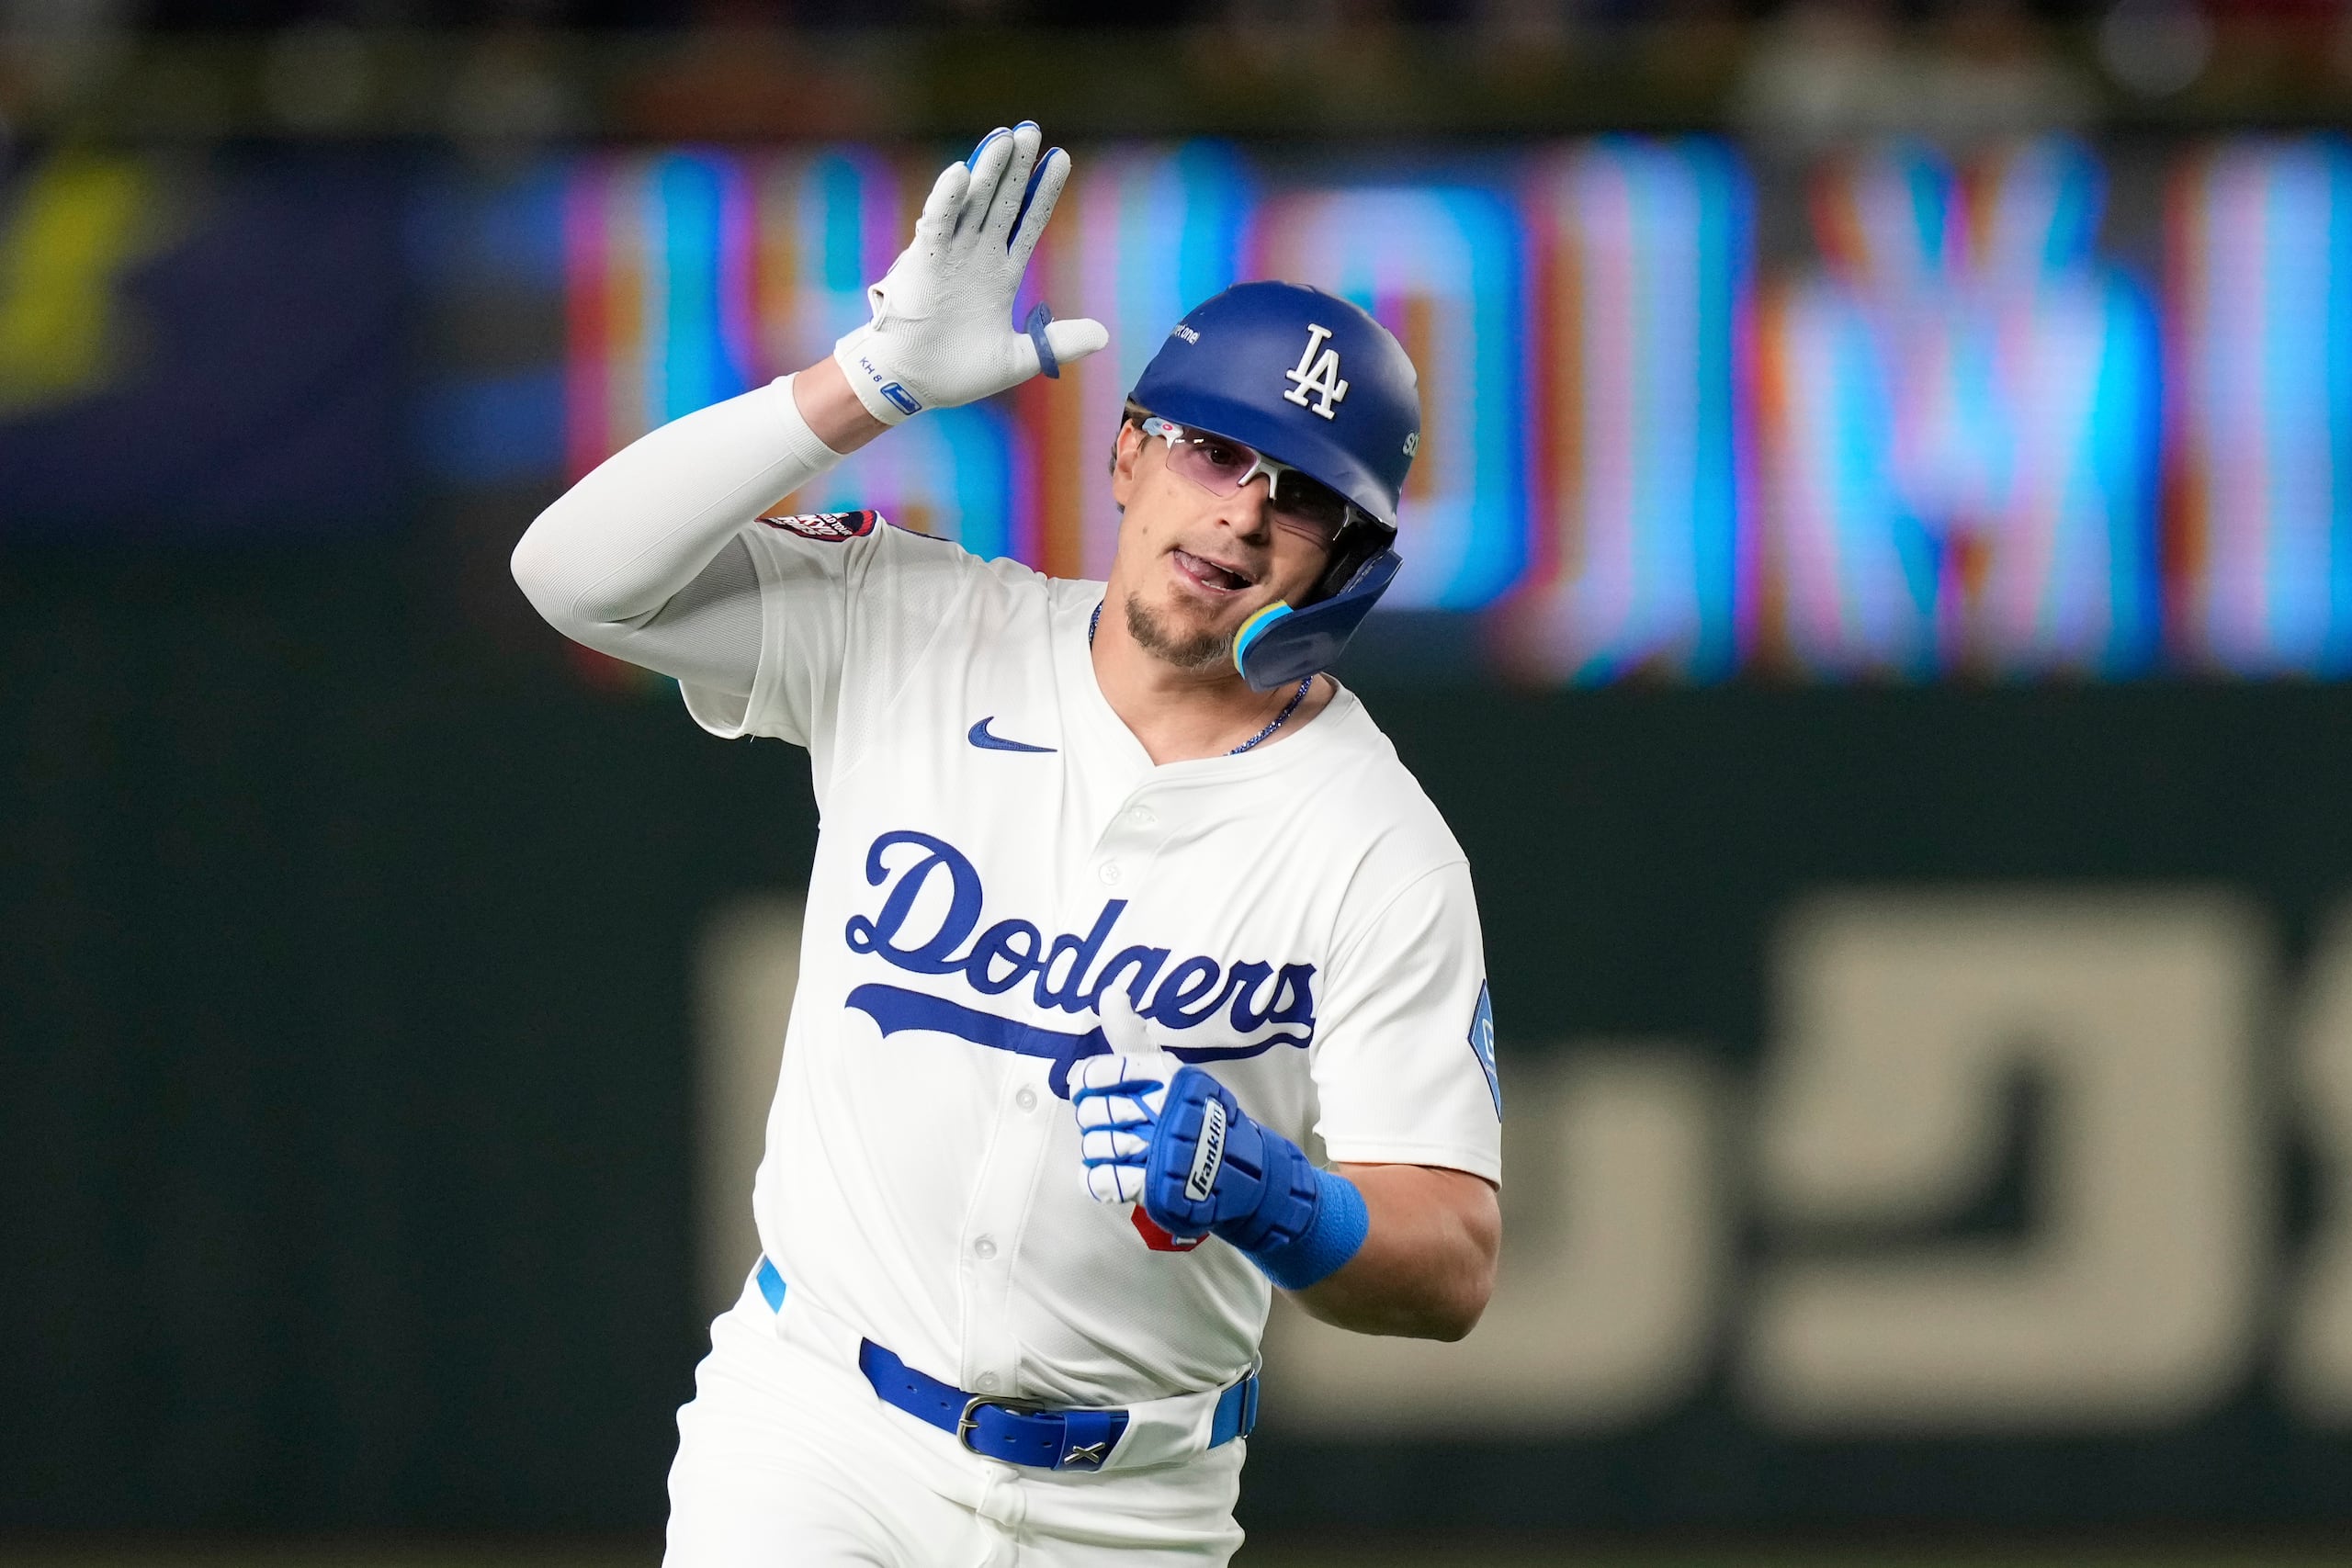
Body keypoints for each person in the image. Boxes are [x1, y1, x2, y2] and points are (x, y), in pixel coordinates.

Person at [511, 121, 1502, 1568]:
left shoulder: (1376, 844)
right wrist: (867, 385)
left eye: (1301, 497)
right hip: (817, 1434)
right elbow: (572, 575)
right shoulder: (920, 625)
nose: (1239, 513)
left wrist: (1278, 1196)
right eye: (1214, 449)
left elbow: (1453, 1265)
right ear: (1125, 452)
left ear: (1348, 563)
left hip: (1132, 1504)